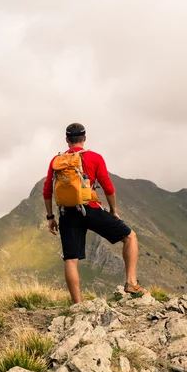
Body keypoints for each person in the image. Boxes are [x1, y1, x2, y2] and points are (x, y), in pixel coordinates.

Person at [43, 123, 146, 304]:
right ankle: (131, 283)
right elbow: (107, 186)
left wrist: (51, 217)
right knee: (130, 237)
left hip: (66, 213)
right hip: (90, 208)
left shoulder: (56, 161)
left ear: (67, 140)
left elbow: (47, 191)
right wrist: (114, 211)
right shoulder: (94, 157)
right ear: (85, 138)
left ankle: (78, 304)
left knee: (71, 259)